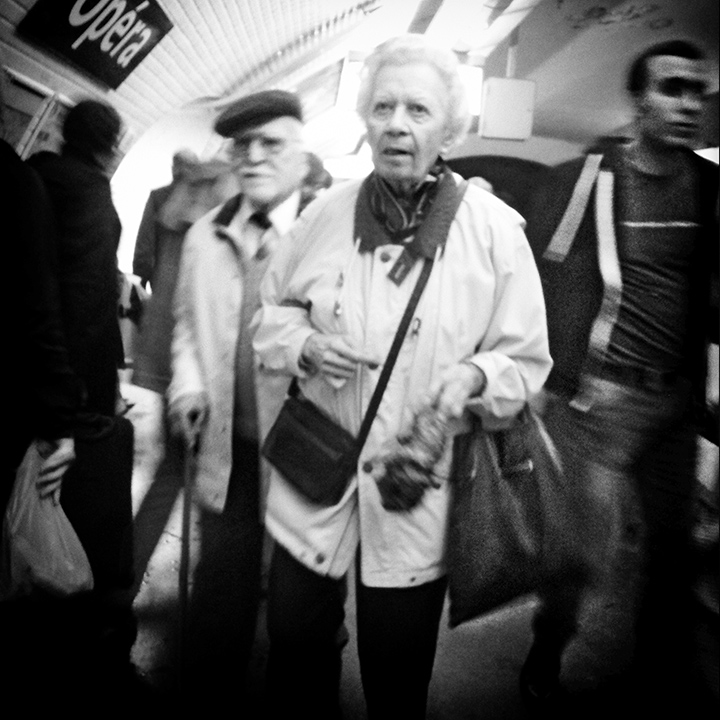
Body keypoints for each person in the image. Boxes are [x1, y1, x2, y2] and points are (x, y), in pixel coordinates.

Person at [252, 34, 552, 719]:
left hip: (415, 484)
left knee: (396, 671)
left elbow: (527, 363)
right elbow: (270, 314)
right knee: (294, 638)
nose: (396, 123)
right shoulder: (322, 216)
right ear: (365, 120)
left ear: (449, 128)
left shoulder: (494, 231)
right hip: (317, 475)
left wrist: (475, 377)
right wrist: (302, 346)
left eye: (417, 109)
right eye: (383, 106)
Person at [522, 40, 718, 715]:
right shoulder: (586, 181)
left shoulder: (710, 185)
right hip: (599, 403)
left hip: (675, 401)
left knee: (671, 551)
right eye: (673, 89)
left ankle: (662, 673)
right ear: (639, 100)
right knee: (580, 554)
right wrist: (553, 375)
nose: (690, 103)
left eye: (698, 91)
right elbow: (538, 279)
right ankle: (549, 644)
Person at [167, 88, 312, 705]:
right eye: (242, 146)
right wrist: (188, 384)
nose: (254, 157)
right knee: (219, 594)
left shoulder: (326, 232)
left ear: (301, 154)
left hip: (305, 455)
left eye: (271, 144)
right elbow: (185, 325)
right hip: (228, 447)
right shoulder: (206, 233)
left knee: (301, 610)